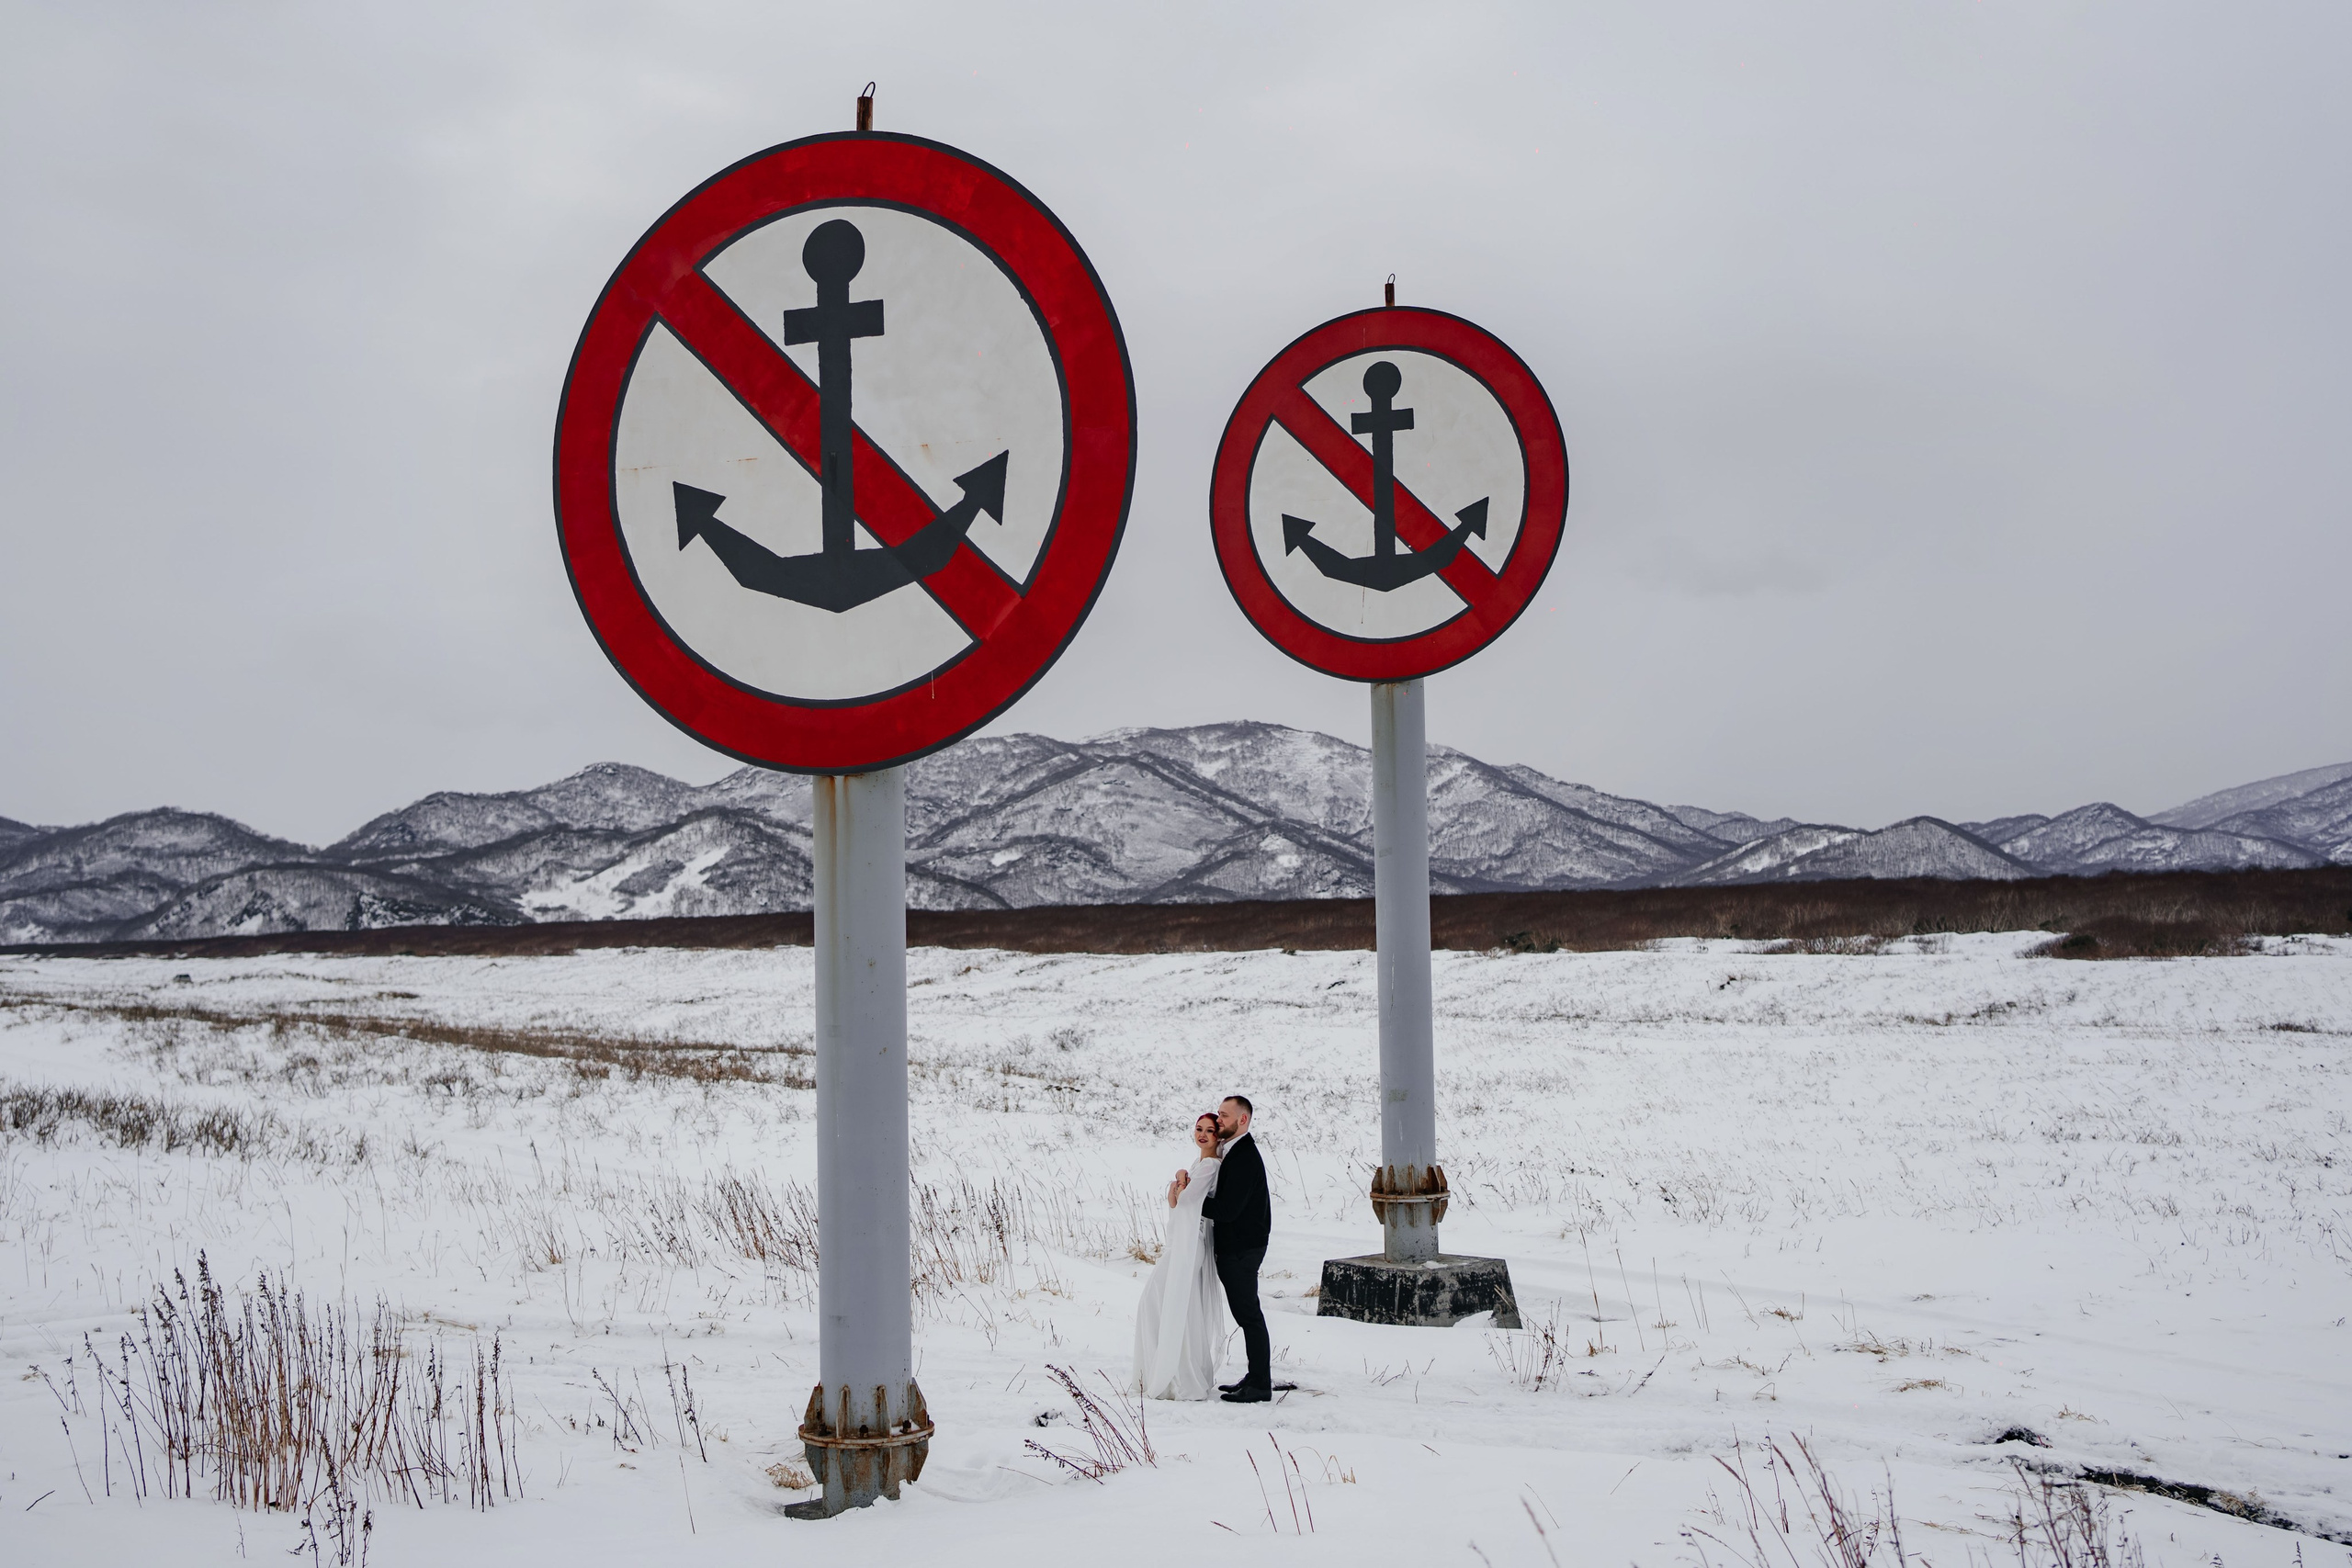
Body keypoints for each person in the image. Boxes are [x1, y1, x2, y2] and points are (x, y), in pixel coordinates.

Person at [1132, 1111, 1226, 1400]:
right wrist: (1181, 1182)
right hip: (1180, 1240)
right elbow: (1175, 1202)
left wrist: (1180, 1177)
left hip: (1192, 1242)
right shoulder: (1200, 1163)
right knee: (1173, 1305)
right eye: (1199, 1129)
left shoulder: (1209, 1165)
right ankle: (1172, 1372)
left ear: (1218, 1137)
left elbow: (1185, 1200)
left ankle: (1178, 1374)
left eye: (1210, 1131)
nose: (1203, 1135)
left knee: (1161, 1301)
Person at [1197, 1094, 1273, 1402]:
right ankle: (1255, 1376)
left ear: (1243, 1120)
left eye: (1225, 1116)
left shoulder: (1243, 1156)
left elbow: (1227, 1210)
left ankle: (1260, 1386)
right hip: (1239, 1246)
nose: (1219, 1121)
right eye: (1218, 1113)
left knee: (1248, 1315)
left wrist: (1190, 1200)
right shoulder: (1234, 1150)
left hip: (1242, 1248)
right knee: (1246, 1314)